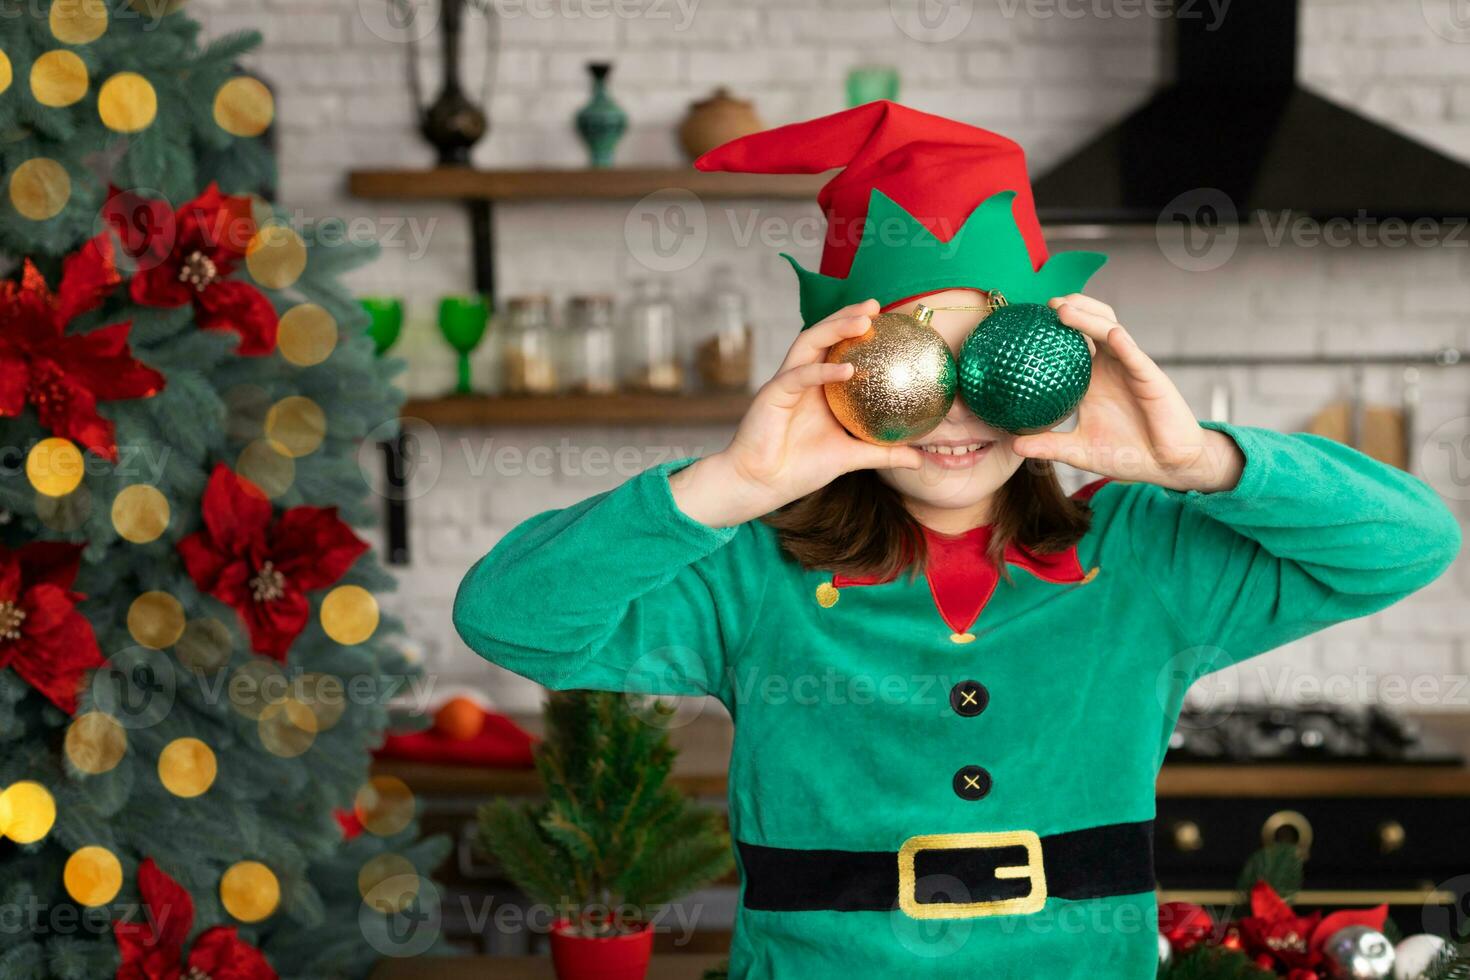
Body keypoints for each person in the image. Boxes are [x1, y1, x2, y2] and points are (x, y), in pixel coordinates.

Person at [453, 103, 1460, 979]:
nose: (952, 409)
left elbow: (1410, 541)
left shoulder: (1145, 555)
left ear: (1047, 362)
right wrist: (732, 482)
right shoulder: (749, 567)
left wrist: (1199, 459)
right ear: (846, 368)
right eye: (910, 361)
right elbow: (511, 618)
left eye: (990, 356)